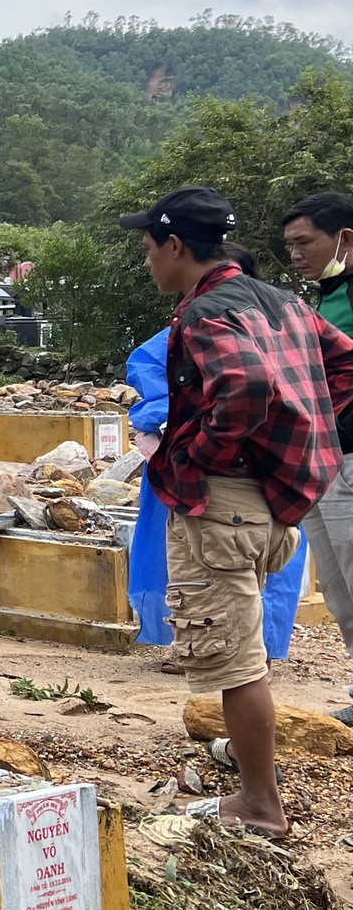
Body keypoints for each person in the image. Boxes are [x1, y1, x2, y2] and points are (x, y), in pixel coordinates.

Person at [120, 186, 353, 836]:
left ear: (175, 246)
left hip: (224, 503)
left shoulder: (203, 315)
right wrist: (303, 430)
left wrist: (196, 453)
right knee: (242, 647)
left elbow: (244, 387)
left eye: (148, 250)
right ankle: (256, 775)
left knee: (235, 662)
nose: (147, 264)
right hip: (273, 507)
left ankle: (260, 804)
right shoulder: (282, 301)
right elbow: (344, 362)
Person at [124, 250, 310, 666]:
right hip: (272, 471)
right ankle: (236, 649)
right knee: (253, 568)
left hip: (215, 474)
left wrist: (200, 448)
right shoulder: (289, 320)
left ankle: (222, 656)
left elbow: (236, 392)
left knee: (208, 566)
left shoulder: (204, 321)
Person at [280, 192, 353, 722]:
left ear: (345, 239)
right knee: (339, 588)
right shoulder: (325, 299)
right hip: (323, 459)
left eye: (305, 242)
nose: (297, 255)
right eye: (290, 246)